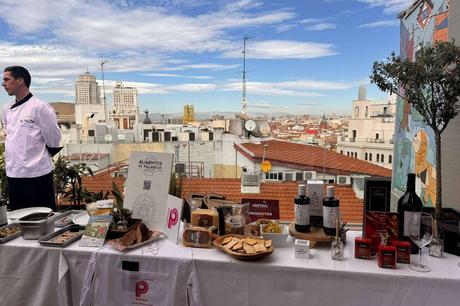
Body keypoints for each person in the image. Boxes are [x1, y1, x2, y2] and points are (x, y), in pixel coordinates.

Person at [2, 66, 62, 211]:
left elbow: (54, 138)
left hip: (37, 174)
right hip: (14, 173)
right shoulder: (6, 108)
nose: (3, 84)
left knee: (43, 218)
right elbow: (11, 135)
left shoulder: (39, 107)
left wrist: (37, 158)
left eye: (7, 79)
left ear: (20, 81)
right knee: (19, 219)